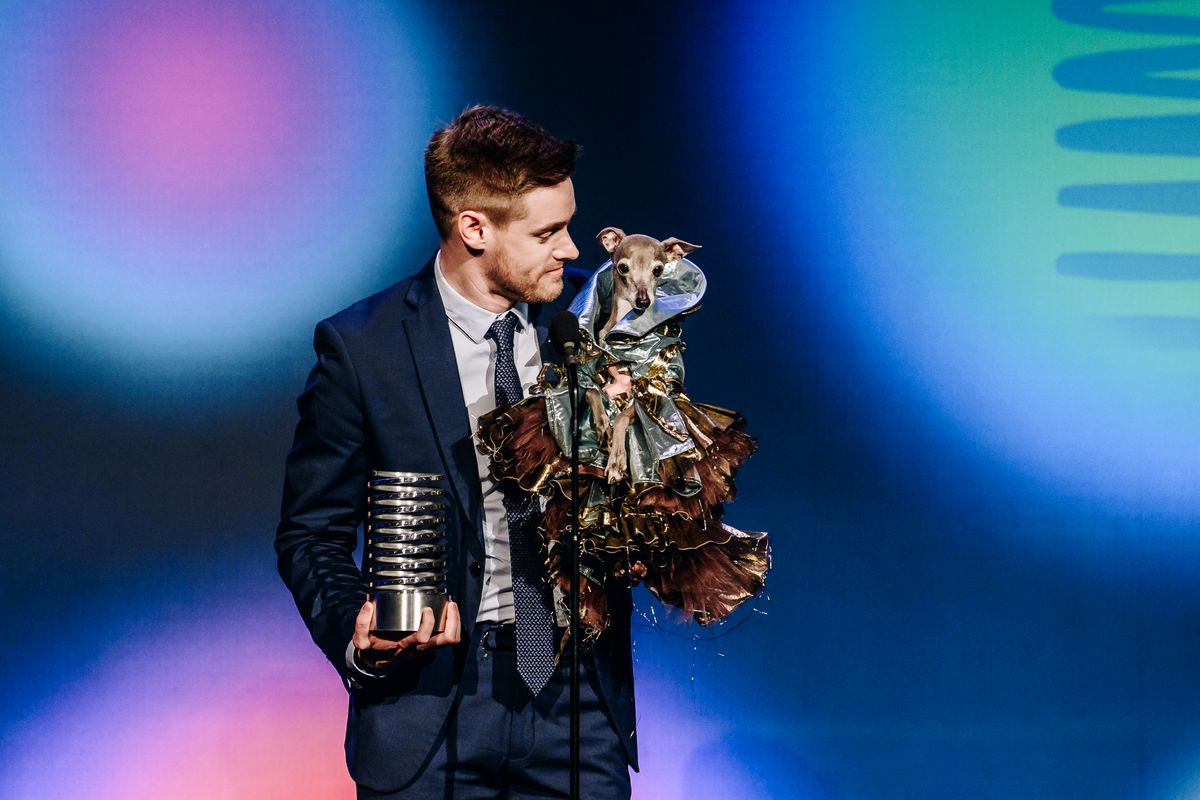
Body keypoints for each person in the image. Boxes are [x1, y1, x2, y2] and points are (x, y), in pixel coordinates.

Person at [275, 105, 636, 798]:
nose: (570, 249)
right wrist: (360, 634)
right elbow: (311, 533)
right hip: (431, 705)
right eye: (547, 232)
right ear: (474, 227)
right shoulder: (365, 350)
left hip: (575, 705)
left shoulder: (595, 325)